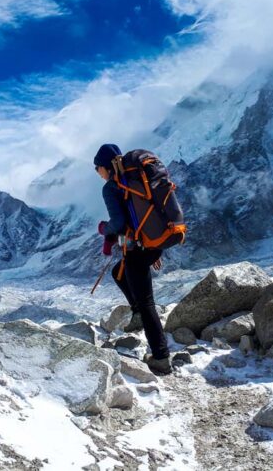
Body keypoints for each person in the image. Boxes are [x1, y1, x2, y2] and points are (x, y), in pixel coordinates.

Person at [94, 143, 172, 374]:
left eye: (97, 168)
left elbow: (118, 223)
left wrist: (103, 229)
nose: (97, 173)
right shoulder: (137, 179)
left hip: (138, 250)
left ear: (105, 166)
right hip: (152, 245)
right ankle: (137, 314)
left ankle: (161, 357)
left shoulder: (112, 187)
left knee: (147, 303)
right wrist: (154, 246)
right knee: (118, 273)